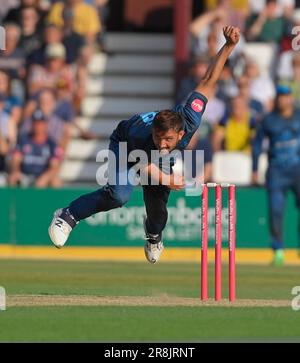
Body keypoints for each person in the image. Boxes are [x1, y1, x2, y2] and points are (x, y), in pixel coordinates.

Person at [48, 26, 240, 264]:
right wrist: (168, 178)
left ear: (181, 134)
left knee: (157, 211)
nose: (162, 143)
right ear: (154, 131)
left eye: (168, 139)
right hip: (126, 145)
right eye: (159, 137)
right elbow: (141, 163)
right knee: (119, 195)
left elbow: (209, 80)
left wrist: (229, 46)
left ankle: (153, 236)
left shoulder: (190, 117)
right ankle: (67, 216)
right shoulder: (143, 134)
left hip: (152, 158)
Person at [252, 85, 300, 266]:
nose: (283, 100)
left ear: (290, 98)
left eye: (286, 96)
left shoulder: (298, 115)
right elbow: (257, 145)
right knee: (276, 211)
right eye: (280, 97)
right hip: (276, 172)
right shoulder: (268, 120)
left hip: (298, 170)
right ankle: (278, 249)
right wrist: (255, 169)